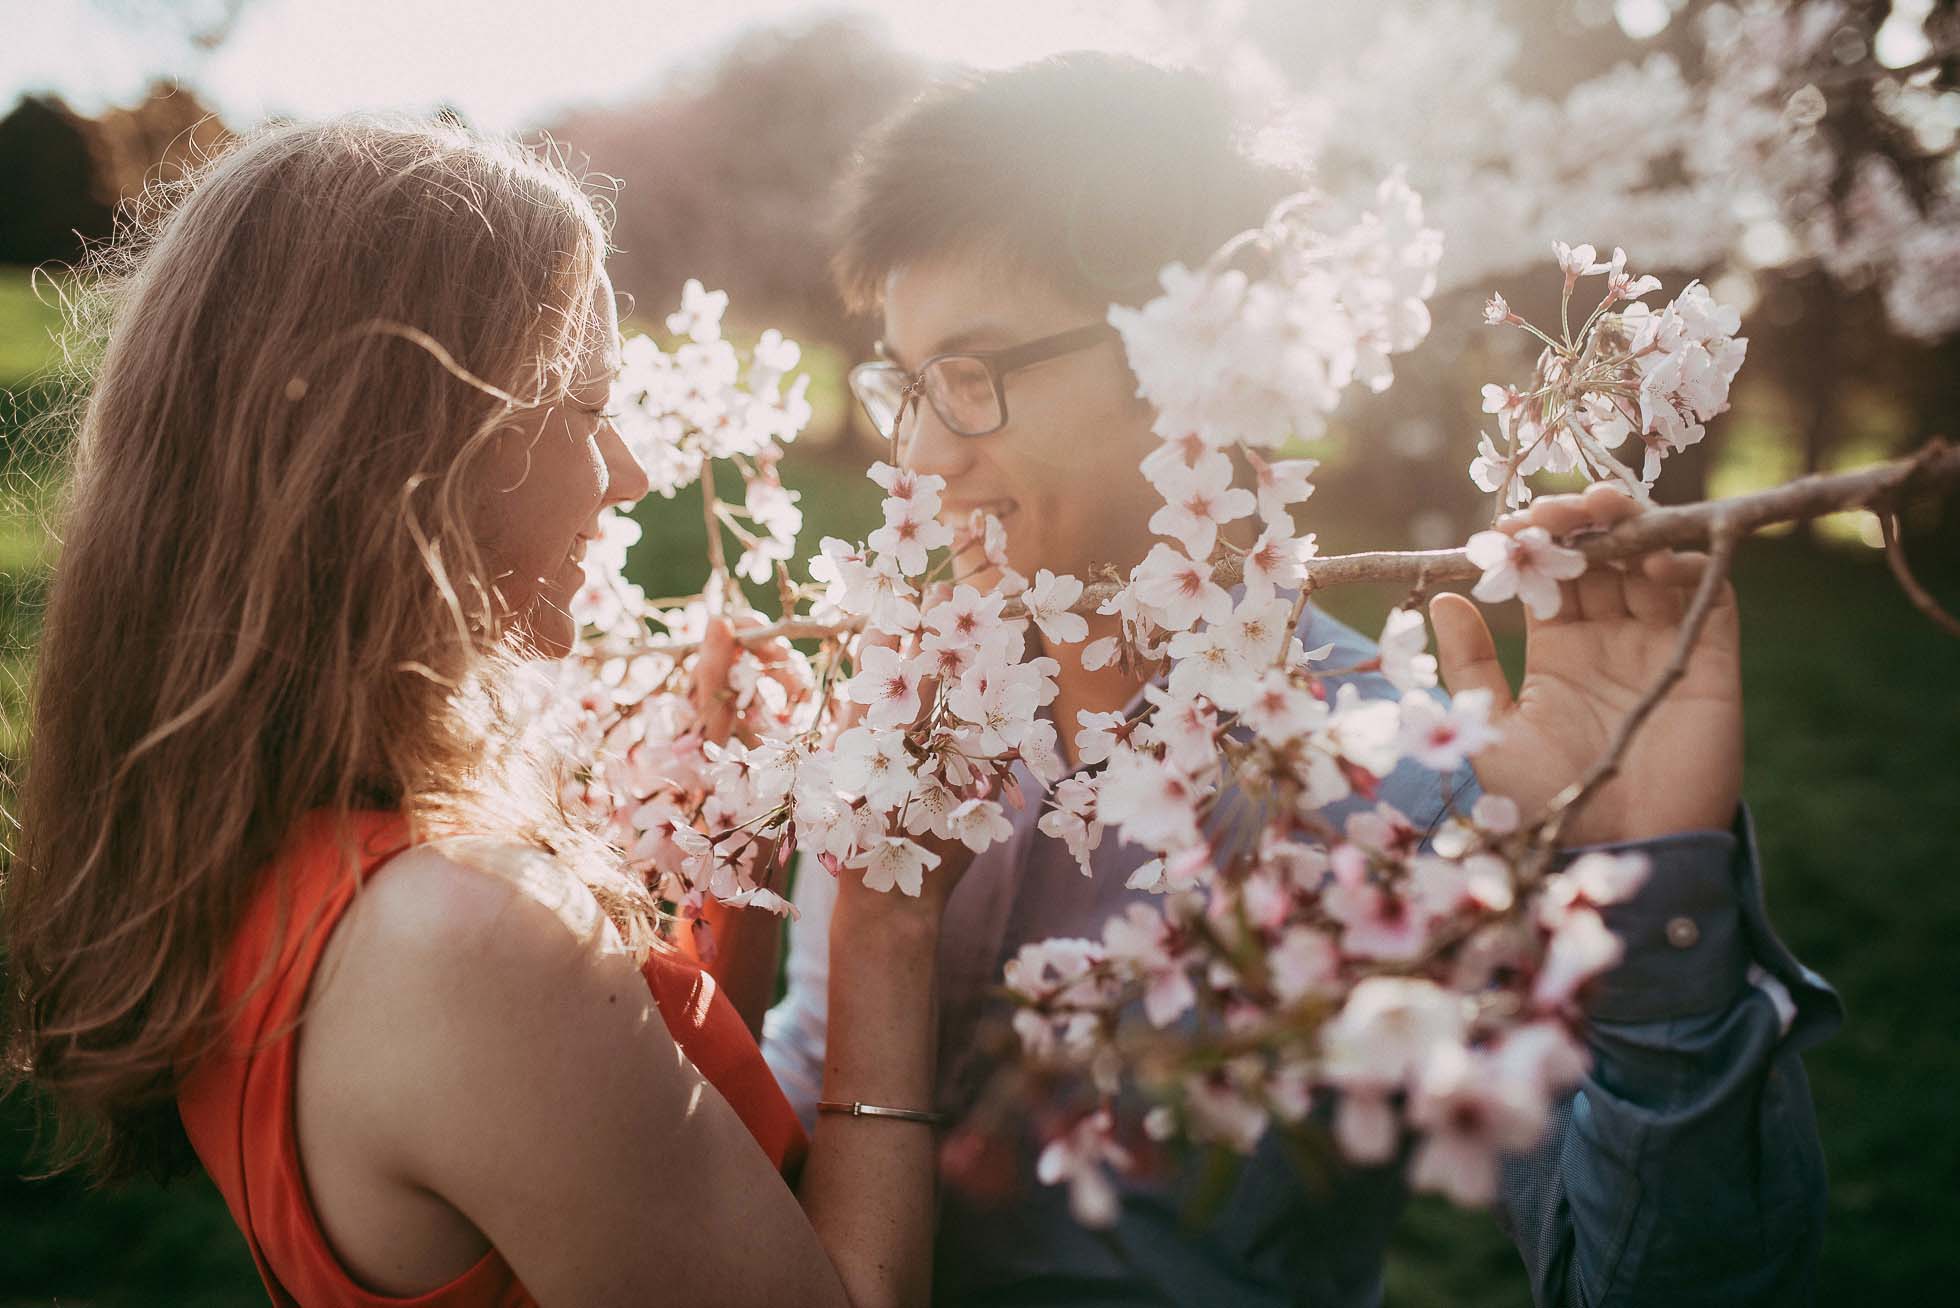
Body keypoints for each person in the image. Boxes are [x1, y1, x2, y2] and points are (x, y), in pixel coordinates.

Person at [761, 54, 1841, 1306]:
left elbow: (1656, 1287)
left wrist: (1659, 921)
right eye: (906, 381)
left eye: (973, 376)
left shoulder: (1394, 777)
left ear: (1197, 357)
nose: (922, 456)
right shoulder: (908, 704)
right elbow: (804, 1079)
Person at [3, 116, 959, 1308]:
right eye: (586, 406)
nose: (635, 475)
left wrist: (734, 873)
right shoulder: (464, 944)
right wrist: (886, 929)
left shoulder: (267, 854)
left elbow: (647, 1181)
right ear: (413, 447)